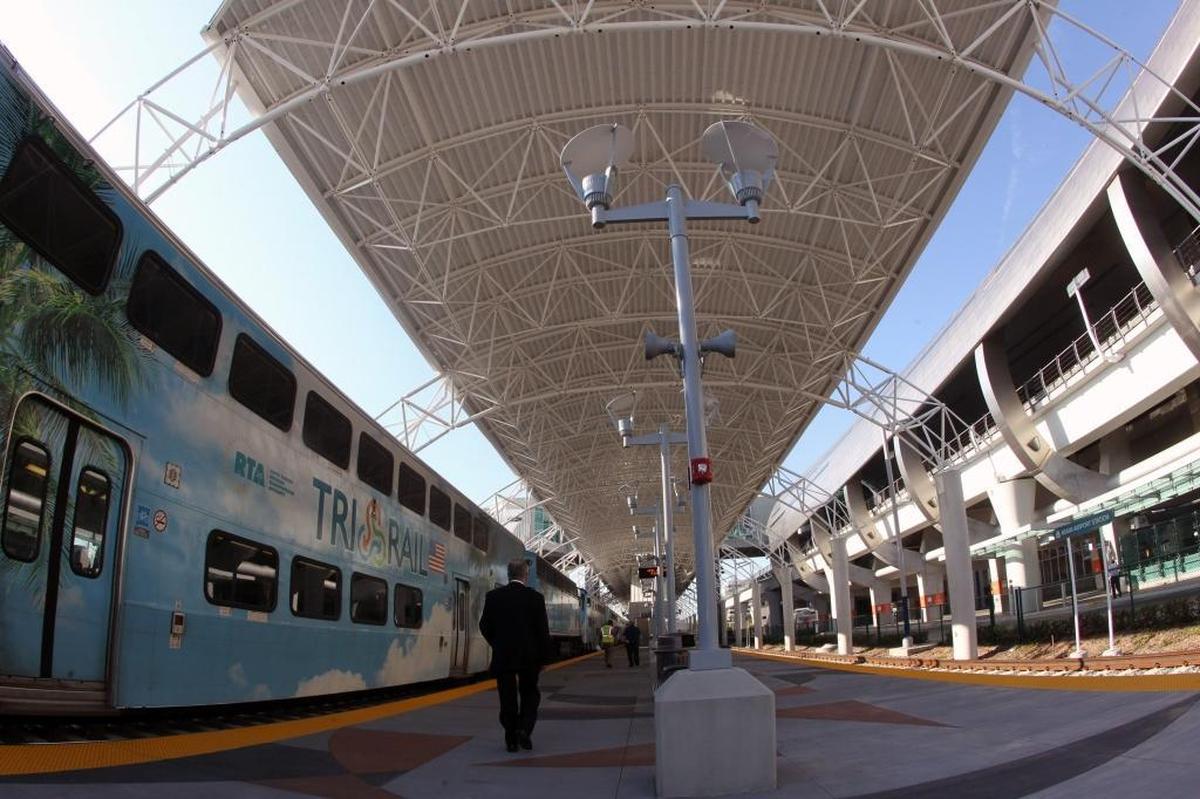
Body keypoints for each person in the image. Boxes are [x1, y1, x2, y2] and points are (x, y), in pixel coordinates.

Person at [479, 558, 551, 753]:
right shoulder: (536, 598)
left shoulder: (493, 597)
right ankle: (524, 730)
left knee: (507, 698)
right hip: (530, 658)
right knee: (530, 694)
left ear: (508, 575)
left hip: (504, 657)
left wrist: (498, 644)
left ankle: (511, 739)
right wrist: (544, 658)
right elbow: (542, 631)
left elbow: (484, 625)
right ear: (525, 576)